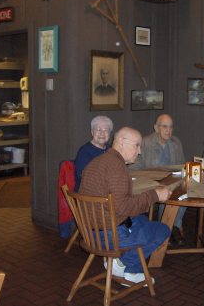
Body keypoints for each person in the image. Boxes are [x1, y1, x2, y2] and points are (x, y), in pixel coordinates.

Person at [79, 127, 171, 284]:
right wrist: (155, 195)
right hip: (108, 236)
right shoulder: (117, 167)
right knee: (162, 230)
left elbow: (117, 201)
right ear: (121, 142)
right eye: (137, 145)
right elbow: (124, 207)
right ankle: (125, 266)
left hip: (90, 230)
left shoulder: (99, 161)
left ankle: (123, 264)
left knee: (142, 221)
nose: (140, 151)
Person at [130, 114, 187, 246]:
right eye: (165, 127)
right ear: (156, 128)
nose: (169, 130)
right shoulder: (145, 142)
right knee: (167, 192)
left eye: (171, 127)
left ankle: (172, 227)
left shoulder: (176, 143)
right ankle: (170, 229)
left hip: (171, 181)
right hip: (149, 182)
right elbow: (134, 167)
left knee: (184, 192)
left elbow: (181, 165)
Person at [74, 115, 113, 192]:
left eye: (106, 130)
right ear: (92, 132)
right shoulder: (84, 151)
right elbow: (84, 177)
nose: (102, 133)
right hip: (88, 195)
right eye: (98, 130)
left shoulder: (111, 150)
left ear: (110, 133)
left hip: (106, 191)